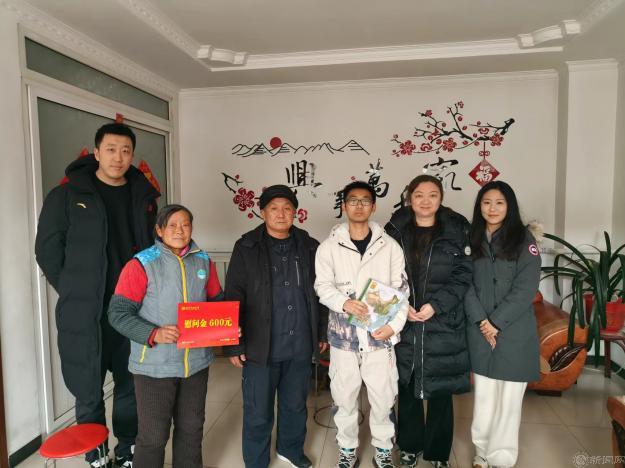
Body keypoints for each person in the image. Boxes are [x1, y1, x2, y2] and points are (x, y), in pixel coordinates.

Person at [35, 123, 159, 467]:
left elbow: (153, 248)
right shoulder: (66, 196)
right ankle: (96, 453)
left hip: (133, 309)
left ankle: (128, 448)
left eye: (125, 151)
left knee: (130, 383)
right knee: (87, 387)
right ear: (96, 152)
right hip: (85, 312)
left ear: (132, 155)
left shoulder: (143, 198)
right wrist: (75, 288)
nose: (118, 157)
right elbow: (47, 250)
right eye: (111, 149)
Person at [108, 204, 223, 468]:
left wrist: (226, 327)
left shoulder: (203, 261)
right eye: (172, 225)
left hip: (195, 364)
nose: (179, 230)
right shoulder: (141, 264)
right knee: (153, 436)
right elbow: (118, 313)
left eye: (185, 224)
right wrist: (153, 333)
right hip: (154, 367)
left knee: (192, 429)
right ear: (159, 230)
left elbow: (216, 302)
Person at [223, 184, 329, 468]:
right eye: (274, 208)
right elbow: (233, 295)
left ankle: (290, 450)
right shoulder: (246, 247)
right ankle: (256, 460)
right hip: (260, 345)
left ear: (295, 213)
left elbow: (322, 293)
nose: (281, 214)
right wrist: (233, 343)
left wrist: (321, 331)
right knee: (258, 410)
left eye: (287, 208)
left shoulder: (310, 246)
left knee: (295, 405)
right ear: (262, 212)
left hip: (299, 343)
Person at [315, 181, 409, 468]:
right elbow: (322, 286)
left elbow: (401, 290)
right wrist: (343, 303)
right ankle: (347, 449)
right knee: (344, 397)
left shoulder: (389, 246)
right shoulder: (329, 247)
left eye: (365, 200)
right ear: (344, 206)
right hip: (343, 338)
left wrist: (393, 327)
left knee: (383, 398)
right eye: (353, 200)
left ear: (373, 206)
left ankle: (383, 449)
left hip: (379, 336)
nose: (358, 206)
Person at [385, 174, 472, 468]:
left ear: (441, 198)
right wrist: (401, 305)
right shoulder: (394, 230)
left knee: (440, 391)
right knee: (407, 386)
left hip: (443, 321)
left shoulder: (457, 230)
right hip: (405, 320)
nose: (425, 201)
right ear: (409, 198)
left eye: (432, 195)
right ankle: (409, 446)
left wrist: (436, 305)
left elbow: (464, 274)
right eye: (418, 195)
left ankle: (437, 453)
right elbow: (383, 273)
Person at [464, 181, 541, 468]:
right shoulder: (471, 239)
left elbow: (526, 288)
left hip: (514, 331)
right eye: (486, 202)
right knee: (484, 397)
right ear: (479, 206)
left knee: (509, 400)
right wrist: (482, 321)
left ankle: (503, 458)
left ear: (509, 206)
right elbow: (464, 284)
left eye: (499, 202)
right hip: (479, 328)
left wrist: (495, 322)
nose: (492, 208)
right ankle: (482, 452)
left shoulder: (523, 239)